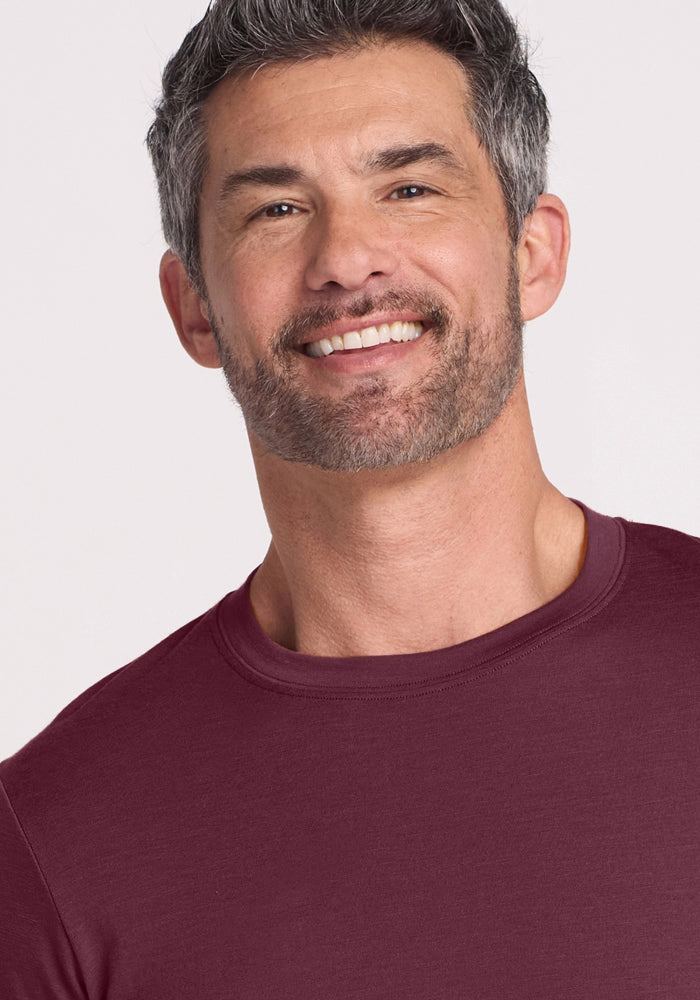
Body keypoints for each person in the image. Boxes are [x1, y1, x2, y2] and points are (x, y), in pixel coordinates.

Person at [1, 0, 699, 995]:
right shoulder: (52, 842)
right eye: (276, 209)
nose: (346, 259)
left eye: (409, 188)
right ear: (194, 305)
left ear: (532, 252)